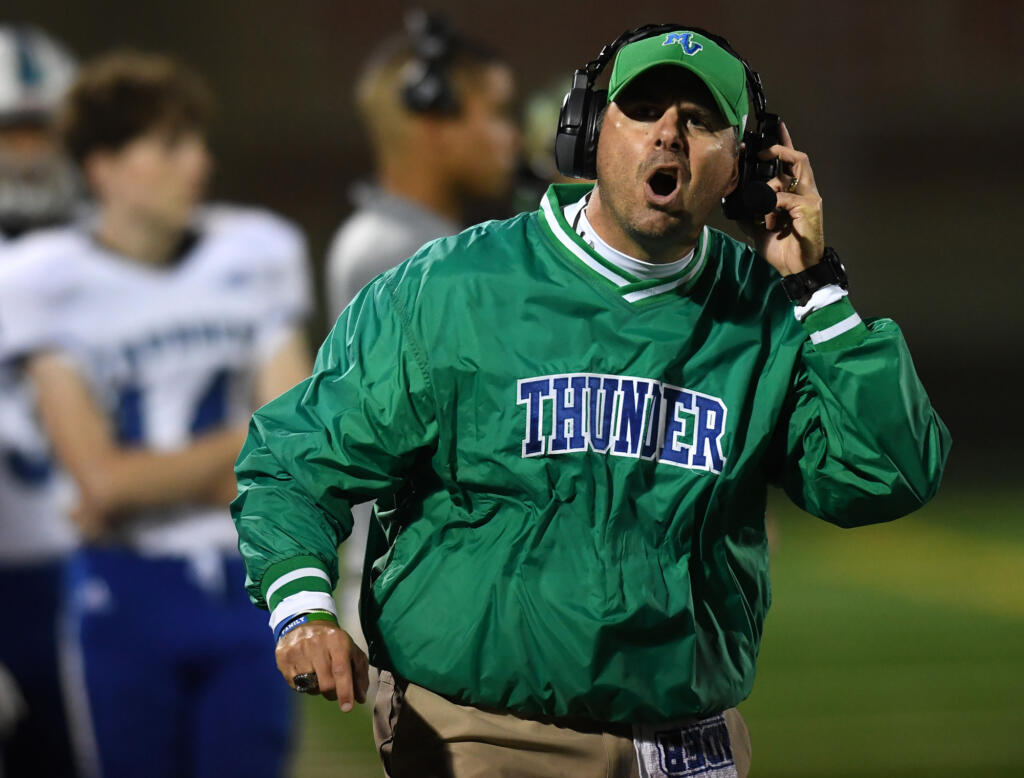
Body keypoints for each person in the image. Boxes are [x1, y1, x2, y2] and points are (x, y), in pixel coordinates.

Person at [232, 25, 951, 778]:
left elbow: (885, 477)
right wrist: (303, 611)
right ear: (586, 132)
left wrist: (816, 285)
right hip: (486, 730)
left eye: (700, 121)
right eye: (641, 109)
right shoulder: (450, 290)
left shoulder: (768, 310)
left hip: (687, 735)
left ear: (745, 166)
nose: (667, 136)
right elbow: (294, 460)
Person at [0, 51, 312, 778]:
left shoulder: (256, 251)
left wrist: (151, 480)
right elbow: (101, 482)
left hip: (247, 587)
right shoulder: (44, 278)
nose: (199, 165)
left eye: (199, 143)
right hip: (123, 594)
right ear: (103, 166)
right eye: (171, 145)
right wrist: (241, 452)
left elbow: (294, 452)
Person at [324, 10, 519, 653]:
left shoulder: (430, 247)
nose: (510, 137)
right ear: (432, 119)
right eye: (495, 113)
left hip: (445, 573)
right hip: (422, 582)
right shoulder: (387, 251)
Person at [0, 24, 81, 777]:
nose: (27, 153)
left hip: (98, 567)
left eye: (39, 131)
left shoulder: (111, 251)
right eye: (9, 132)